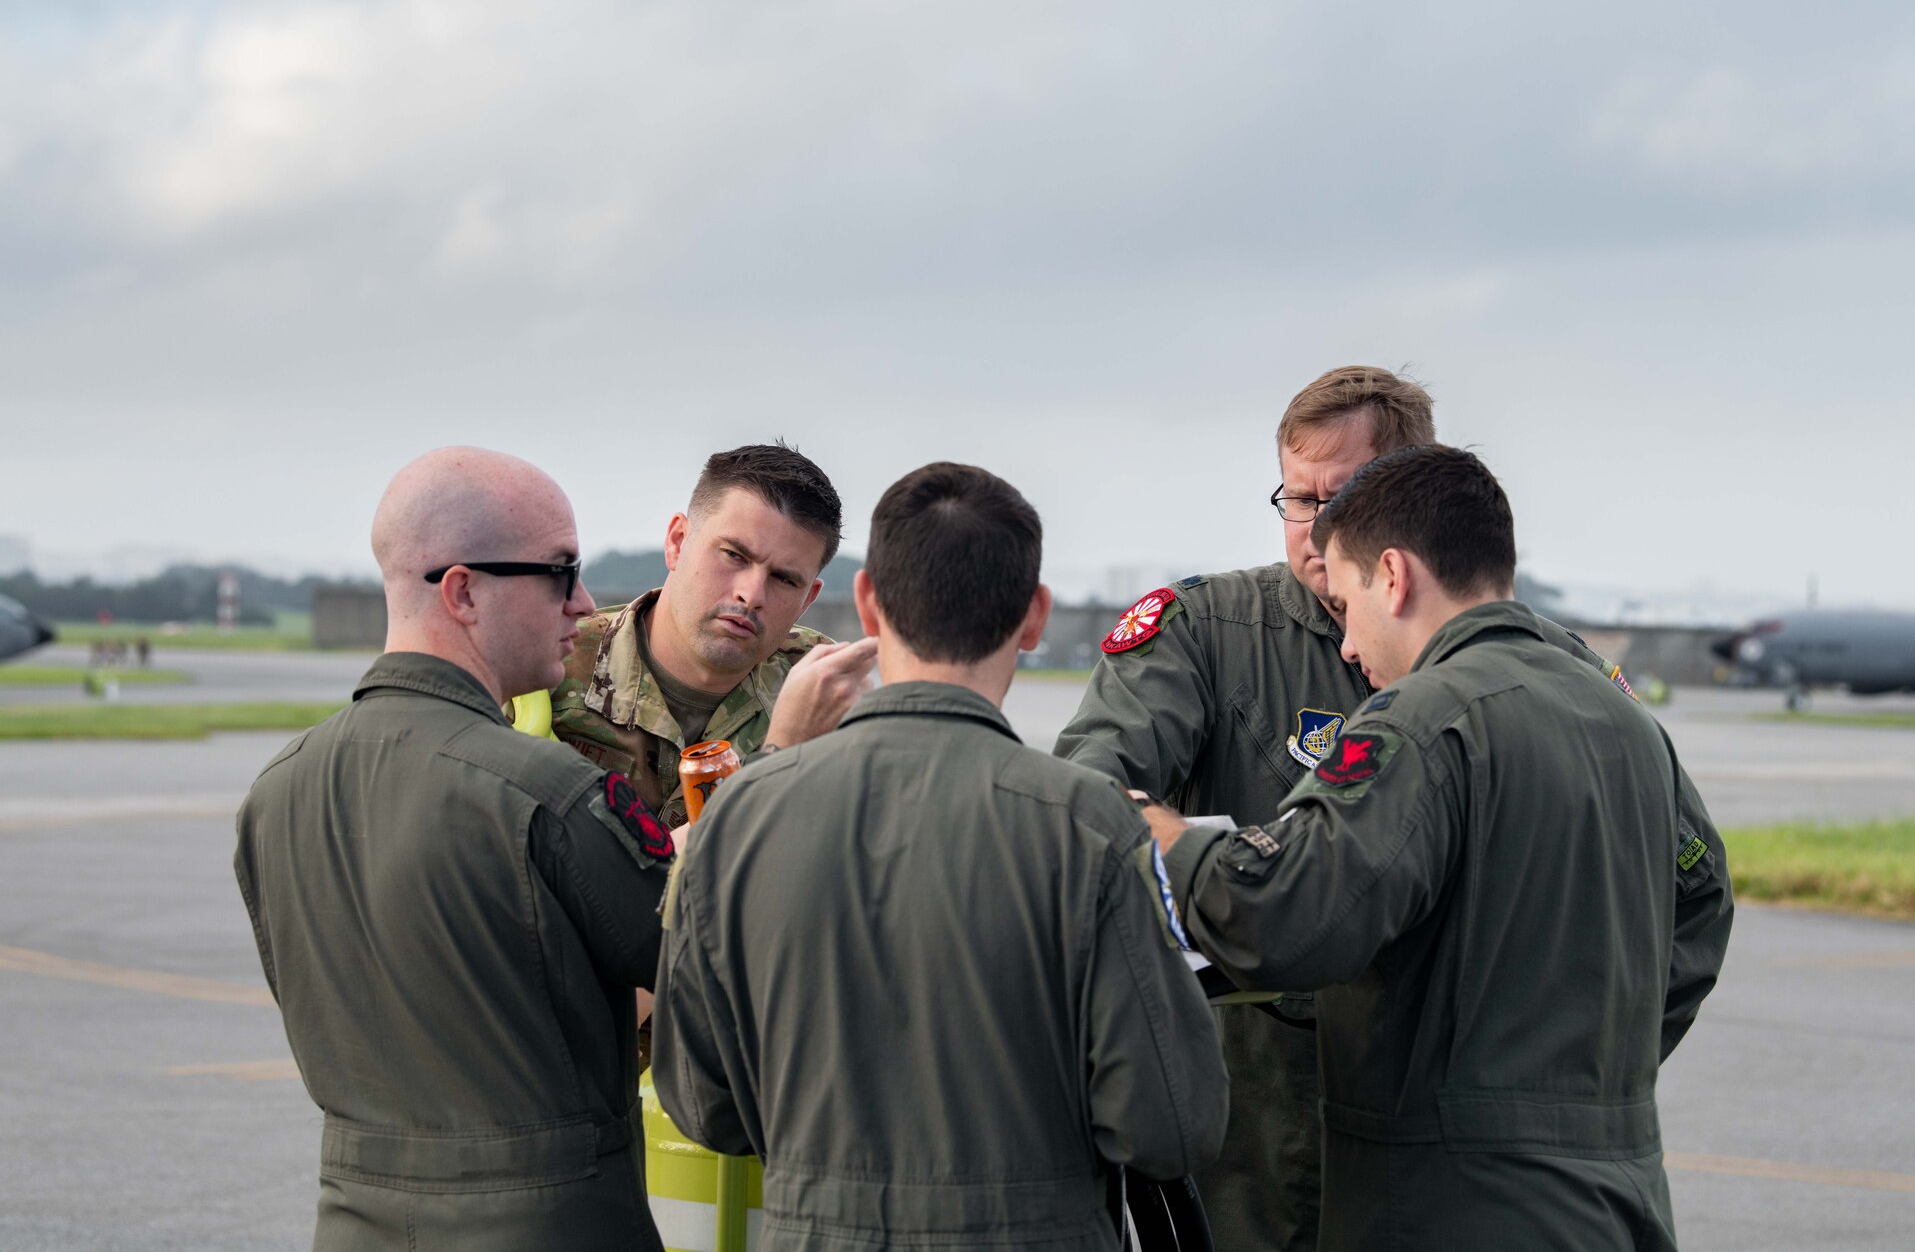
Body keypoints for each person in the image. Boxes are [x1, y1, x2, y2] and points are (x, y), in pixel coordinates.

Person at [1055, 367, 1731, 1251]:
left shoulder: (1455, 699)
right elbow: (1086, 801)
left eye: (1339, 499)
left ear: (1402, 518)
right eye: (1296, 499)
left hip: (1428, 1150)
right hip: (1254, 1130)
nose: (1313, 527)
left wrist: (1540, 1069)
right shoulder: (1206, 629)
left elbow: (1693, 891)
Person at [656, 461, 1230, 1251]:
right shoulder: (1088, 823)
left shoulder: (739, 817)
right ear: (1033, 618)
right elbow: (1169, 1121)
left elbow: (701, 1101)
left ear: (867, 603)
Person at [234, 447, 672, 1252]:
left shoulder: (276, 792)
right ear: (463, 590)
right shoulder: (548, 791)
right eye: (559, 571)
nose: (583, 602)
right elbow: (711, 971)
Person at [550, 443, 877, 826]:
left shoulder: (829, 696)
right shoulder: (553, 663)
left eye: (784, 579)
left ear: (808, 600)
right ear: (677, 542)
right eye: (733, 555)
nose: (751, 595)